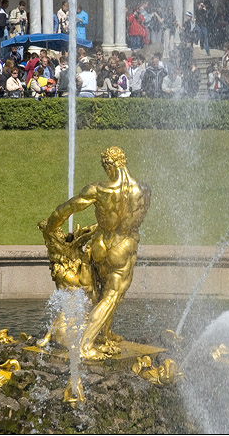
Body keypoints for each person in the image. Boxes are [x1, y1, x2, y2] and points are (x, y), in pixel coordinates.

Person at [42, 146, 150, 360]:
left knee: (100, 292)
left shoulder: (99, 190)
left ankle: (103, 333)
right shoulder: (144, 191)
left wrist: (50, 228)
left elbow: (64, 210)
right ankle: (85, 345)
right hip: (124, 246)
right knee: (112, 295)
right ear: (123, 162)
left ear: (108, 166)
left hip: (100, 244)